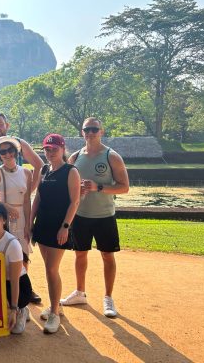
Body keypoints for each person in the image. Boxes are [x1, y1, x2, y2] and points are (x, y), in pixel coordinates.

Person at [59, 117, 130, 318]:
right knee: (80, 254)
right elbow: (67, 186)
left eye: (94, 129)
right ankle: (80, 292)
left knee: (107, 255)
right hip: (81, 215)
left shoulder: (111, 156)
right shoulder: (75, 157)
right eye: (86, 129)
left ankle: (108, 297)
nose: (90, 133)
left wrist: (98, 187)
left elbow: (124, 187)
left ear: (101, 131)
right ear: (82, 132)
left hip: (104, 215)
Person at [31, 133, 80, 334]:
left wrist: (65, 226)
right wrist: (30, 222)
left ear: (62, 148)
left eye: (54, 149)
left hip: (59, 226)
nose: (50, 152)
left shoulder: (71, 171)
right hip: (42, 224)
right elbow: (38, 199)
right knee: (49, 268)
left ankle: (54, 314)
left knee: (52, 269)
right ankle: (55, 305)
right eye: (47, 149)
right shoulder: (44, 170)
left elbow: (75, 201)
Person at [0, 203, 33, 334]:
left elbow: (15, 281)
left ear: (4, 220)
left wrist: (13, 309)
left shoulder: (12, 244)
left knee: (16, 331)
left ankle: (21, 309)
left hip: (17, 285)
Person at [0, 136, 33, 258]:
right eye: (3, 151)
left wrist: (27, 225)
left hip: (20, 219)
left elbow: (26, 201)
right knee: (0, 257)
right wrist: (6, 206)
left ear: (15, 151)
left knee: (22, 256)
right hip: (1, 217)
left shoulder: (26, 173)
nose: (7, 154)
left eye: (10, 150)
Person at [0, 111, 43, 190]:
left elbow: (40, 165)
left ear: (7, 125)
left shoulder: (18, 143)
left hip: (16, 199)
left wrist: (29, 190)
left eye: (0, 124)